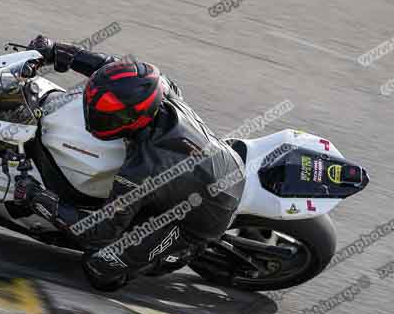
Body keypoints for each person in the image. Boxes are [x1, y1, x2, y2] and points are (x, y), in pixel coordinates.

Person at [14, 35, 245, 291]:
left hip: (204, 215)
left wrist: (37, 197)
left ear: (134, 119)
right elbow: (111, 71)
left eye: (106, 117)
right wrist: (58, 51)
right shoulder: (158, 87)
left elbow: (98, 233)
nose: (93, 118)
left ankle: (181, 252)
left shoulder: (142, 170)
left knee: (100, 265)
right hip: (219, 164)